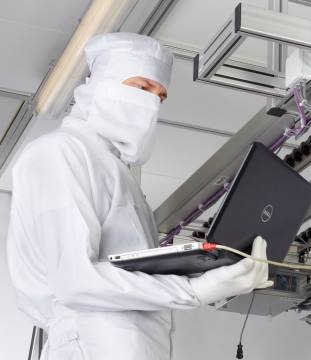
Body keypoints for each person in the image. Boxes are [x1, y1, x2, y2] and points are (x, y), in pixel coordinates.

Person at [7, 33, 273, 360]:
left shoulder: (121, 174)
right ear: (103, 85)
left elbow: (131, 271)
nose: (151, 103)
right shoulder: (59, 152)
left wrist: (209, 270)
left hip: (139, 345)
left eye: (160, 96)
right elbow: (75, 281)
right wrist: (194, 290)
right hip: (89, 340)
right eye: (142, 88)